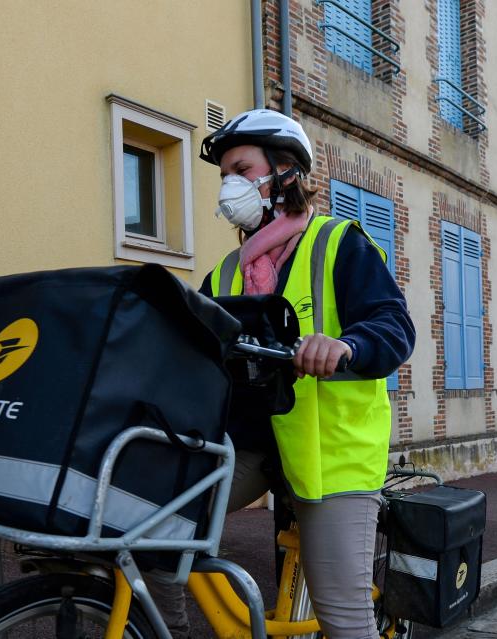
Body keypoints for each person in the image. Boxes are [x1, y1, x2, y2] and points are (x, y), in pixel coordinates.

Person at [149, 109, 416, 639]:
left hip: (331, 453)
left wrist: (344, 345)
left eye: (241, 170)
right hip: (249, 446)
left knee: (343, 616)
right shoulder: (227, 272)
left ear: (285, 172)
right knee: (154, 524)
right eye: (223, 175)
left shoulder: (339, 243)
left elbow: (394, 326)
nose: (229, 187)